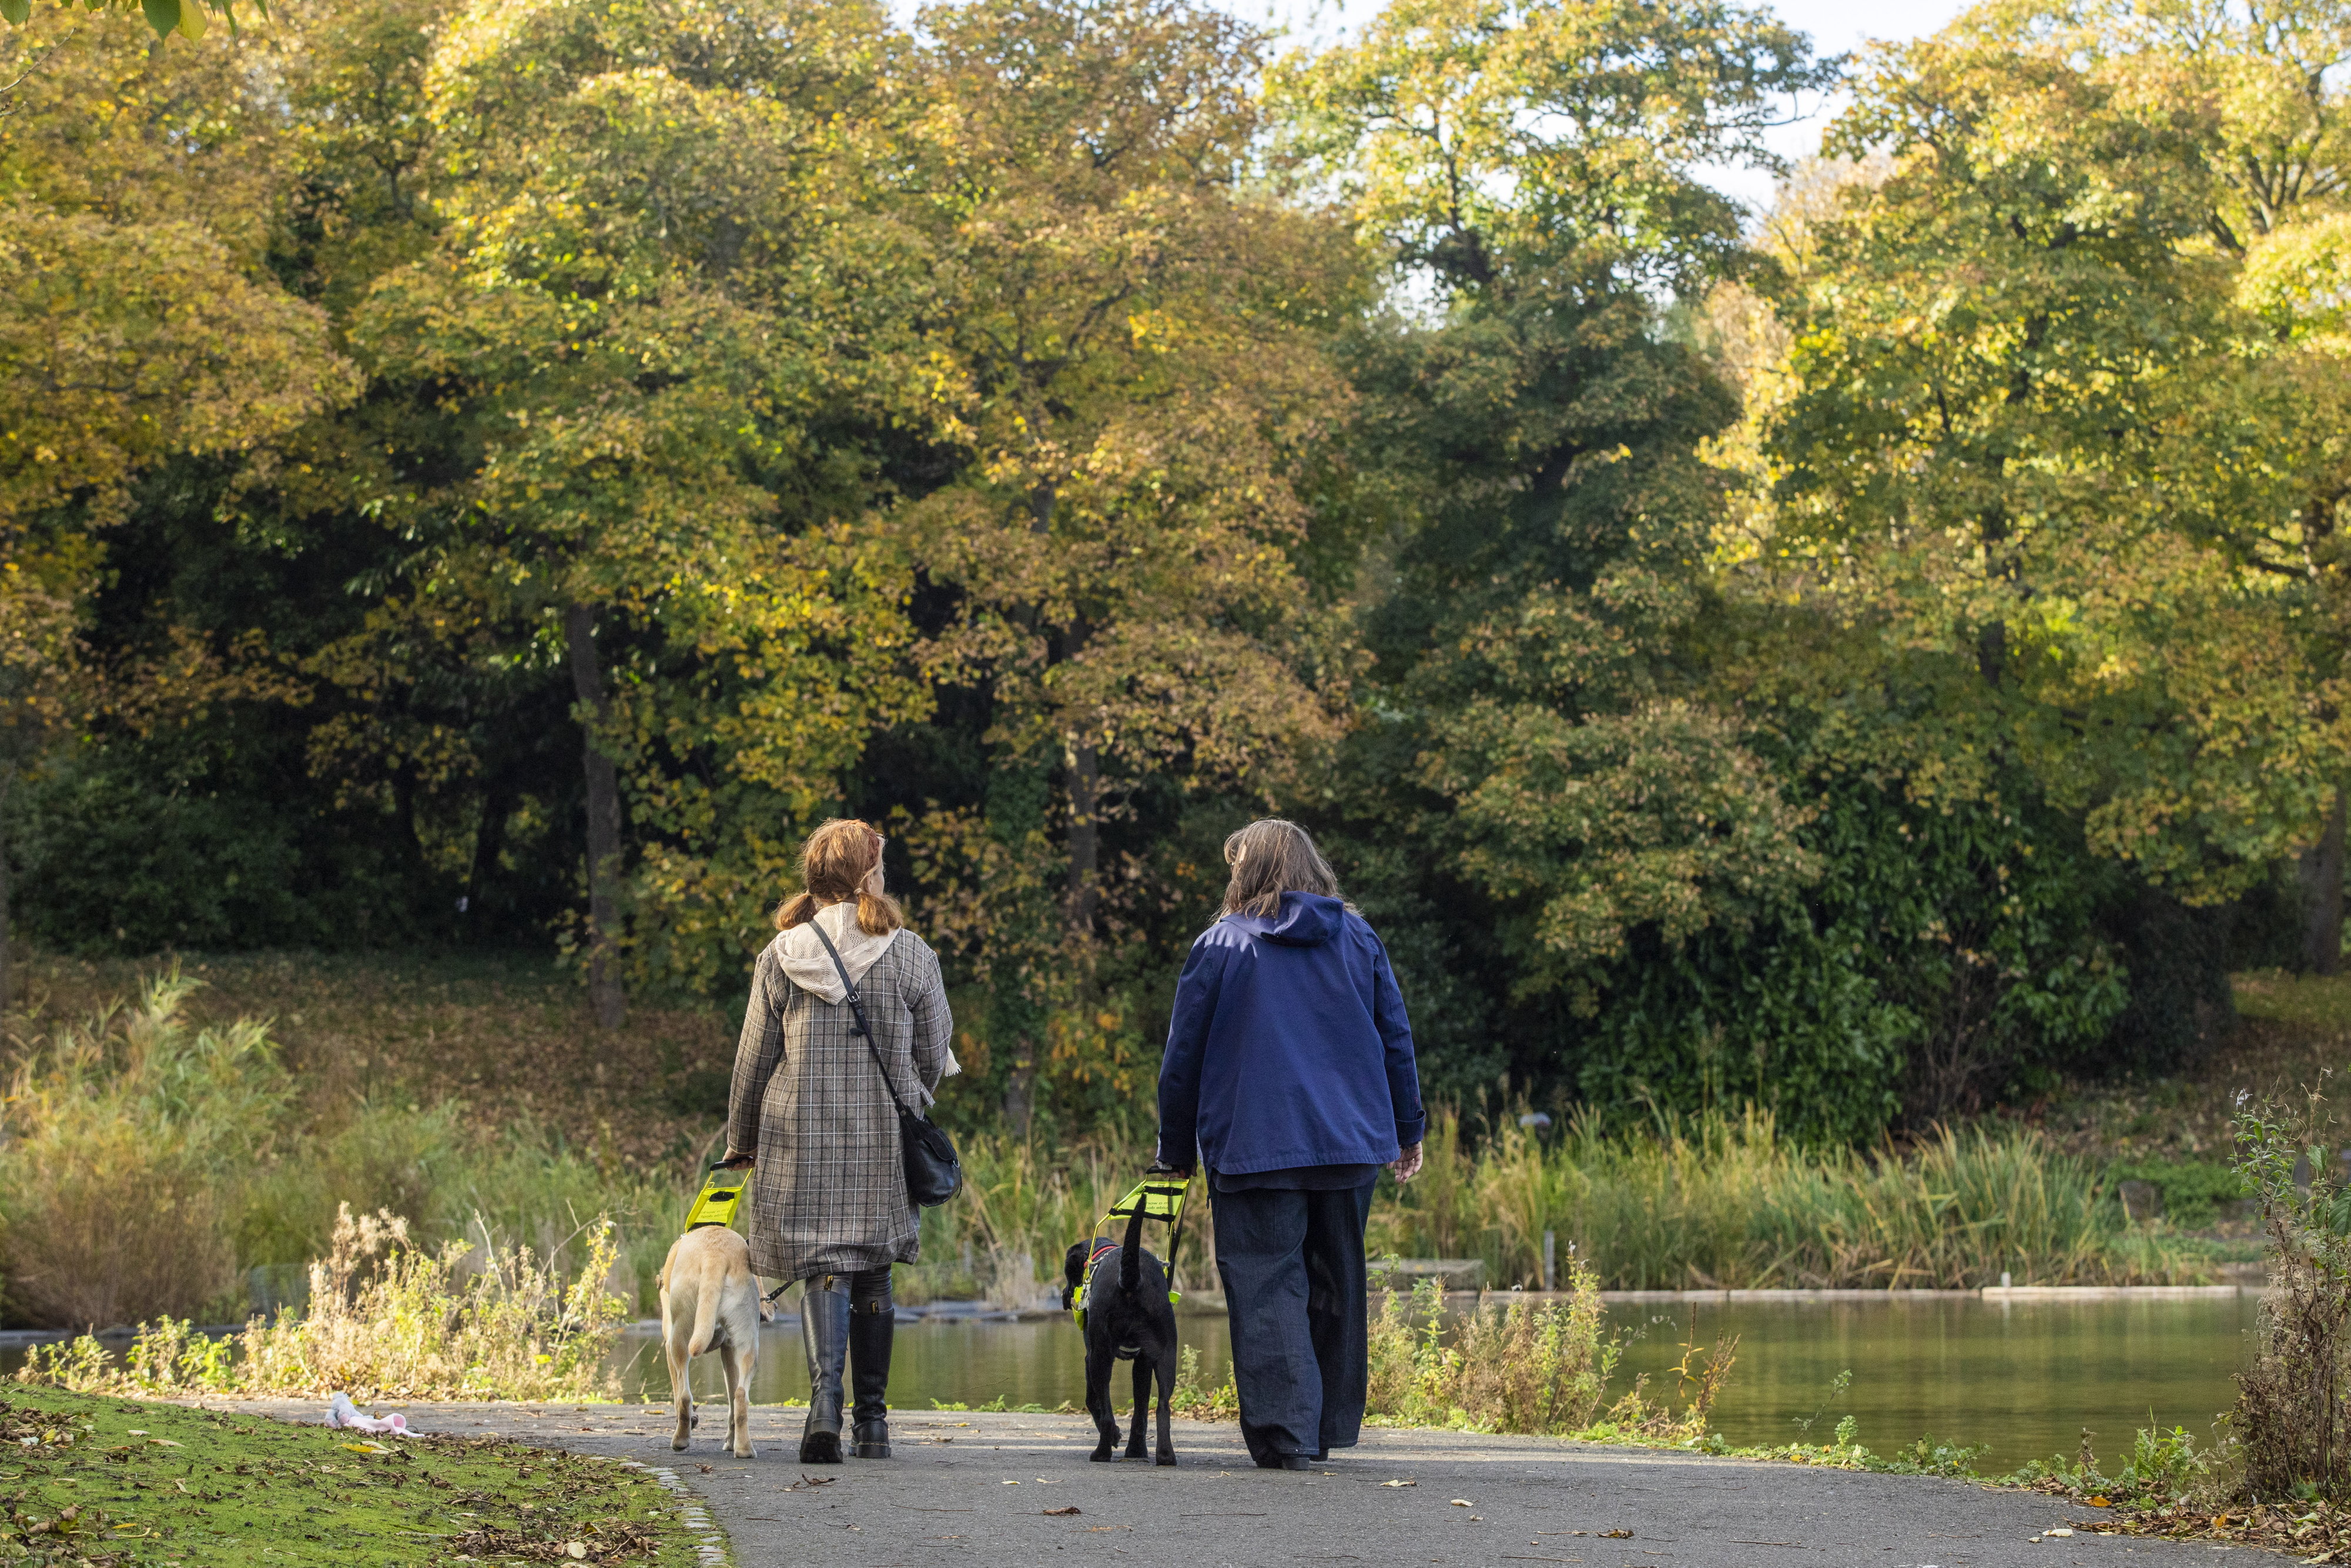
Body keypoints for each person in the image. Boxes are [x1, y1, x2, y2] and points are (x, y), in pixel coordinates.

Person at [1155, 817, 1425, 1470]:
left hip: (1253, 1145)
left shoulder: (1219, 944)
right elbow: (1395, 1036)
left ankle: (1285, 1433)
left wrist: (1175, 1148)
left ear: (1246, 872)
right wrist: (1407, 1128)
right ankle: (1324, 1427)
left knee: (1266, 1282)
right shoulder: (1357, 937)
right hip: (1349, 1142)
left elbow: (1181, 1058)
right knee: (1336, 1281)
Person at [722, 819, 956, 1463]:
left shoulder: (782, 953)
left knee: (822, 1264)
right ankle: (873, 1424)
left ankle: (824, 1403)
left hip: (798, 1135)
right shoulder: (909, 953)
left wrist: (741, 1139)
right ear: (867, 873)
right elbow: (934, 1051)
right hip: (881, 1131)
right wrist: (912, 1094)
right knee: (873, 1264)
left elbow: (752, 1061)